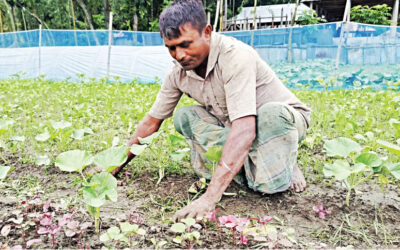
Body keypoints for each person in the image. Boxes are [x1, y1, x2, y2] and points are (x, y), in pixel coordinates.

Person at [113, 0, 311, 221]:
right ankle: (258, 160)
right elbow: (152, 121)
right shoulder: (177, 73)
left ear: (207, 32)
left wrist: (210, 198)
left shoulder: (236, 57)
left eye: (185, 44)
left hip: (280, 121)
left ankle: (287, 158)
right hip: (233, 126)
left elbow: (245, 129)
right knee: (184, 116)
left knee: (267, 183)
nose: (179, 55)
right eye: (171, 47)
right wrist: (113, 166)